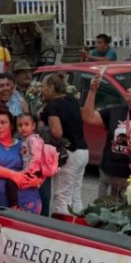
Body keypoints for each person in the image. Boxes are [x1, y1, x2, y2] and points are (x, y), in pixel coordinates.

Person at [41, 73, 89, 215]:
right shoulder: (71, 99)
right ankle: (78, 225)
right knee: (75, 193)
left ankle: (63, 229)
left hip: (69, 153)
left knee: (61, 197)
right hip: (83, 151)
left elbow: (57, 132)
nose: (41, 90)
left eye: (43, 87)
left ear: (51, 87)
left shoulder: (53, 106)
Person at [0, 108, 39, 208]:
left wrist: (39, 181)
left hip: (28, 201)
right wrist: (13, 175)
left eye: (3, 122)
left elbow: (40, 164)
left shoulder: (23, 145)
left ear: (11, 126)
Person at [11, 113, 45, 214]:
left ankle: (14, 206)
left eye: (26, 124)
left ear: (33, 126)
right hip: (32, 170)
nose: (23, 128)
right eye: (20, 125)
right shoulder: (25, 140)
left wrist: (28, 170)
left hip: (33, 170)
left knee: (12, 183)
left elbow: (36, 156)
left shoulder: (32, 139)